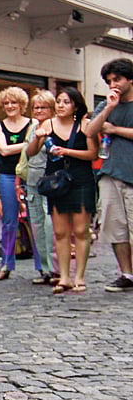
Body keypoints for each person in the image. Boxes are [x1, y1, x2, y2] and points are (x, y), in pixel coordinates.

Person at [27, 87, 98, 293]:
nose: (60, 105)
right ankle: (64, 277)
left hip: (80, 180)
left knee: (80, 231)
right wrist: (38, 138)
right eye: (58, 101)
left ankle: (80, 277)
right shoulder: (47, 124)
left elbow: (93, 154)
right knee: (59, 232)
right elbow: (30, 153)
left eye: (66, 102)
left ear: (75, 105)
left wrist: (66, 151)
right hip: (56, 182)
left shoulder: (85, 125)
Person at [85, 58, 133, 292]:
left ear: (130, 80)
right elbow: (90, 130)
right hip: (110, 173)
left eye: (118, 79)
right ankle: (126, 274)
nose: (113, 84)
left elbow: (110, 130)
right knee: (115, 228)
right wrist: (109, 108)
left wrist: (115, 130)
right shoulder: (106, 105)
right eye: (110, 81)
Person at [0, 87, 34, 280]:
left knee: (35, 220)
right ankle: (6, 264)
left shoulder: (32, 124)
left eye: (13, 103)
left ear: (22, 105)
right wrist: (28, 144)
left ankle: (43, 266)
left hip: (31, 175)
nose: (9, 106)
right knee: (9, 220)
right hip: (7, 175)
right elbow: (3, 150)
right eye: (6, 103)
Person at [24, 90, 57, 285]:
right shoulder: (32, 127)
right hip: (32, 182)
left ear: (52, 109)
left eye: (43, 107)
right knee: (37, 226)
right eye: (35, 107)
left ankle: (55, 269)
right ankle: (44, 269)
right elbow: (27, 155)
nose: (38, 111)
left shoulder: (55, 127)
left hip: (51, 182)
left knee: (50, 225)